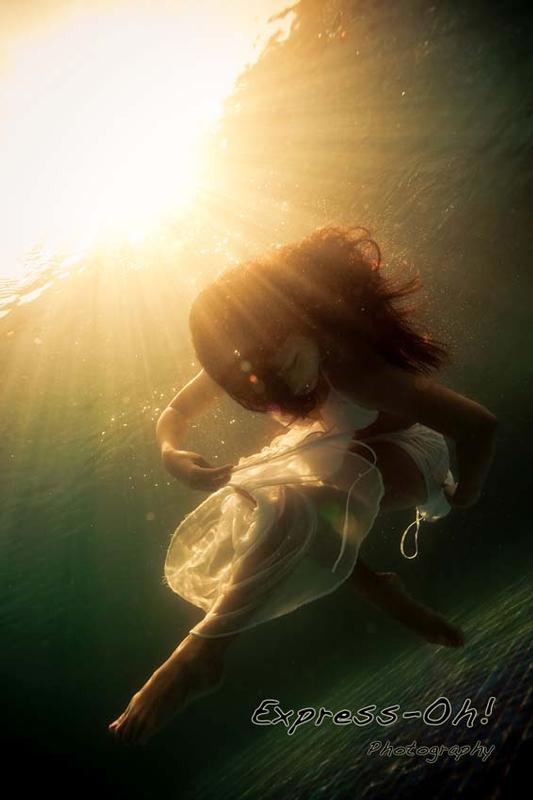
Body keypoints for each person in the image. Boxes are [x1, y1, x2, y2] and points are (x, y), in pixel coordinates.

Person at [109, 225, 498, 745]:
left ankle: (202, 652)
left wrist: (466, 494)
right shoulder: (249, 352)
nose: (279, 385)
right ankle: (380, 592)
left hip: (412, 455)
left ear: (296, 318)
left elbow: (478, 426)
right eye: (253, 377)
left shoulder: (358, 373)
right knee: (272, 502)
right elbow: (174, 413)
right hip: (336, 451)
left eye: (283, 364)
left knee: (307, 500)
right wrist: (170, 452)